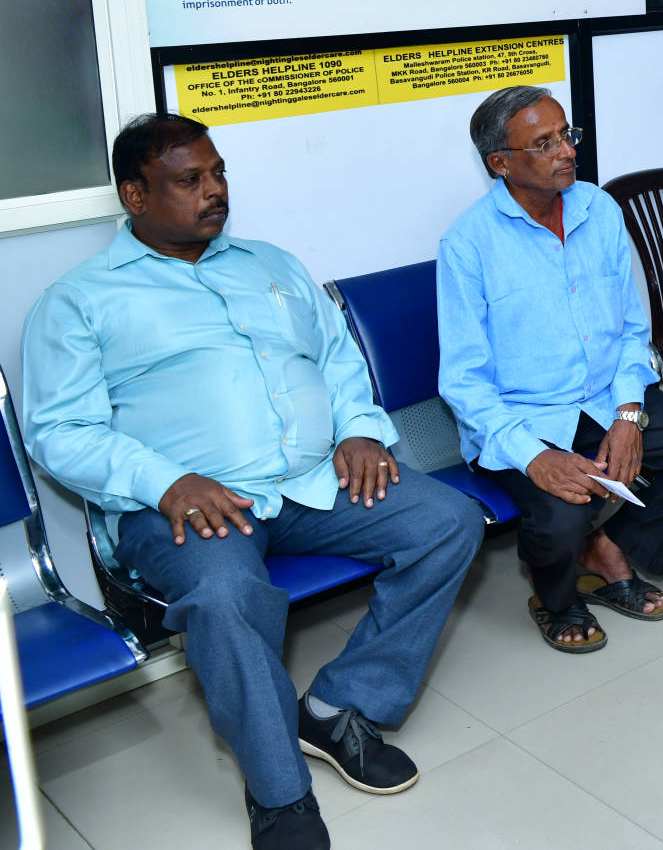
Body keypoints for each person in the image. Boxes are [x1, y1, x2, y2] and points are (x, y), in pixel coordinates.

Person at [20, 114, 485, 850]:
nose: (214, 191)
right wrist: (166, 479)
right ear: (134, 195)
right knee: (228, 595)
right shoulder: (79, 301)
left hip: (308, 478)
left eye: (218, 172)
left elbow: (335, 357)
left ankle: (337, 706)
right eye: (189, 180)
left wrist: (360, 427)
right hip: (184, 507)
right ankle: (279, 793)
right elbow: (58, 430)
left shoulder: (270, 263)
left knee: (448, 521)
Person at [436, 86, 663, 654]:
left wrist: (630, 413)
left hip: (608, 396)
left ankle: (605, 544)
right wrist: (534, 456)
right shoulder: (467, 245)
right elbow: (462, 380)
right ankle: (556, 596)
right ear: (500, 163)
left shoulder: (598, 211)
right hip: (525, 419)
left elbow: (633, 330)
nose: (567, 152)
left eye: (567, 135)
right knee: (557, 516)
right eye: (545, 143)